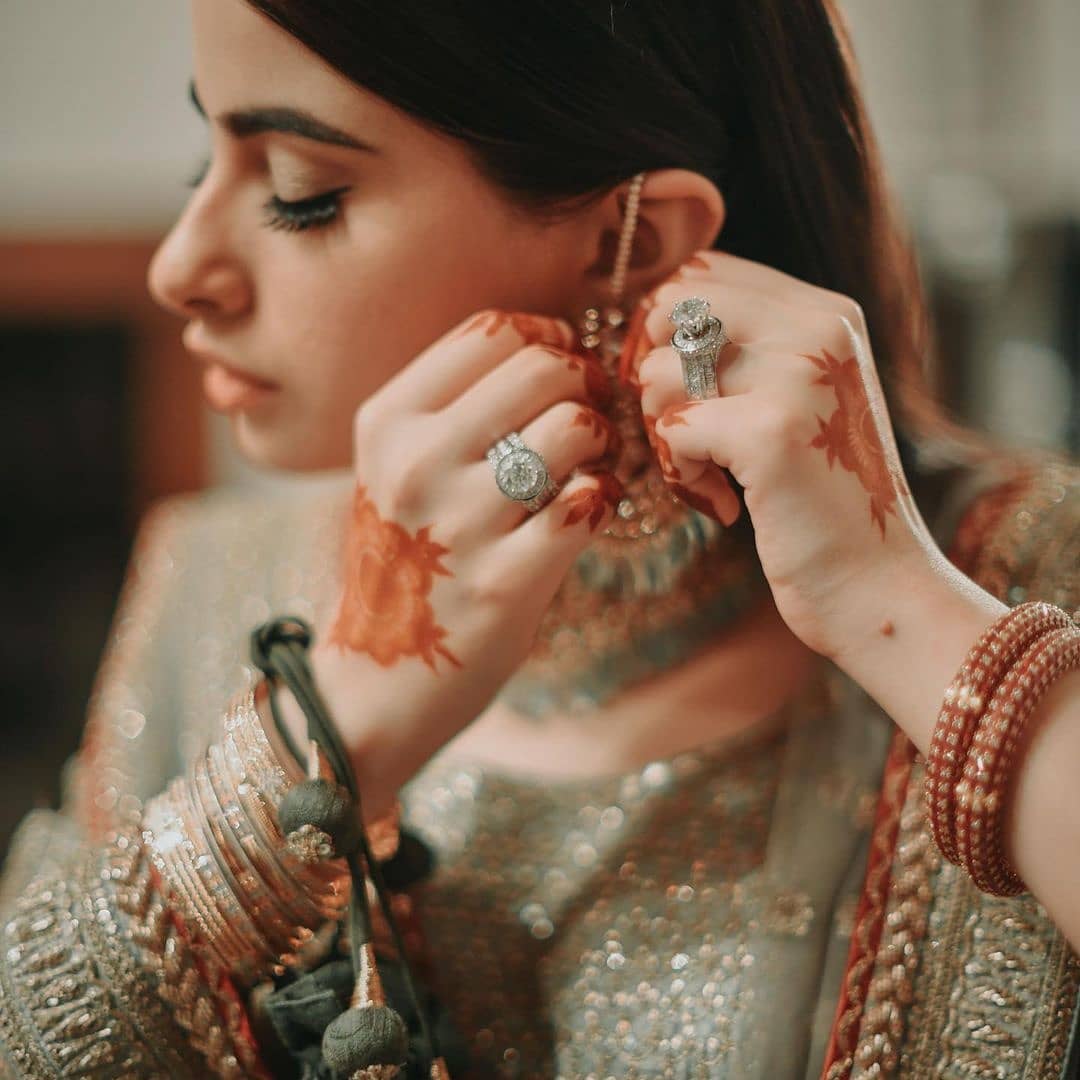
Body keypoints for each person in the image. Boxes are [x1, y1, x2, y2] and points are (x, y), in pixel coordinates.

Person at [1, 1, 1078, 1077]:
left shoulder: (1029, 567)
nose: (178, 267)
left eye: (299, 194)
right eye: (206, 159)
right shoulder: (210, 578)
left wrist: (895, 603)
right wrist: (329, 727)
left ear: (633, 244)